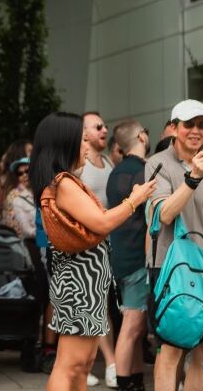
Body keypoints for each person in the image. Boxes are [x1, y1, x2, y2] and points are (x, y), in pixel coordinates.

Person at [28, 112, 156, 391]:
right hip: (79, 283)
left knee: (83, 364)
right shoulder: (63, 182)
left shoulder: (63, 181)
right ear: (66, 144)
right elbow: (103, 222)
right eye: (82, 140)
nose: (87, 147)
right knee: (71, 365)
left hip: (85, 282)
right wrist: (134, 200)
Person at [144, 100, 203, 391]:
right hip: (170, 265)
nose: (196, 131)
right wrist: (194, 177)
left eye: (202, 125)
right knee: (172, 347)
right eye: (189, 125)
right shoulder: (158, 163)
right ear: (174, 128)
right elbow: (165, 214)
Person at [106, 120, 152, 391]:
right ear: (141, 137)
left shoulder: (116, 173)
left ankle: (135, 381)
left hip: (120, 256)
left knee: (134, 327)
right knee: (133, 326)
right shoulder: (144, 170)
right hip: (138, 256)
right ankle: (125, 383)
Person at [80, 111, 117, 387]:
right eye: (98, 126)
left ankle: (96, 363)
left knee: (102, 304)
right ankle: (109, 363)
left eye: (105, 126)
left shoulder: (108, 162)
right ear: (83, 133)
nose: (105, 130)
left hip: (111, 241)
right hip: (86, 244)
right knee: (93, 305)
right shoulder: (78, 166)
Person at [0, 158, 36, 239]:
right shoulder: (14, 198)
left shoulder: (41, 191)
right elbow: (27, 231)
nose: (24, 175)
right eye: (19, 173)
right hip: (29, 245)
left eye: (27, 171)